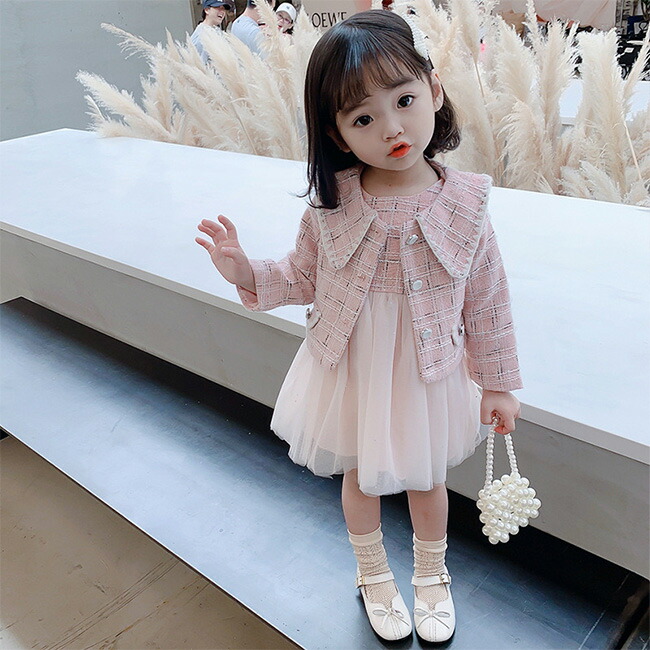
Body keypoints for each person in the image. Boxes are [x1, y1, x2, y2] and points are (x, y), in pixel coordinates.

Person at [196, 9, 522, 644]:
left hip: (430, 368)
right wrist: (246, 270)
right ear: (339, 135)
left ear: (435, 89)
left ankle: (432, 574)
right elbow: (302, 276)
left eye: (404, 100)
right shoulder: (335, 202)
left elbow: (487, 300)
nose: (392, 128)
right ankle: (373, 573)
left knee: (428, 479)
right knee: (358, 475)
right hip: (351, 364)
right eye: (363, 118)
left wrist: (499, 383)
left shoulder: (466, 204)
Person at [190, 0, 233, 64]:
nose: (222, 12)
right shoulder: (201, 35)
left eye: (224, 8)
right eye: (218, 7)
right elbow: (200, 66)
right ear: (207, 10)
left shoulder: (215, 30)